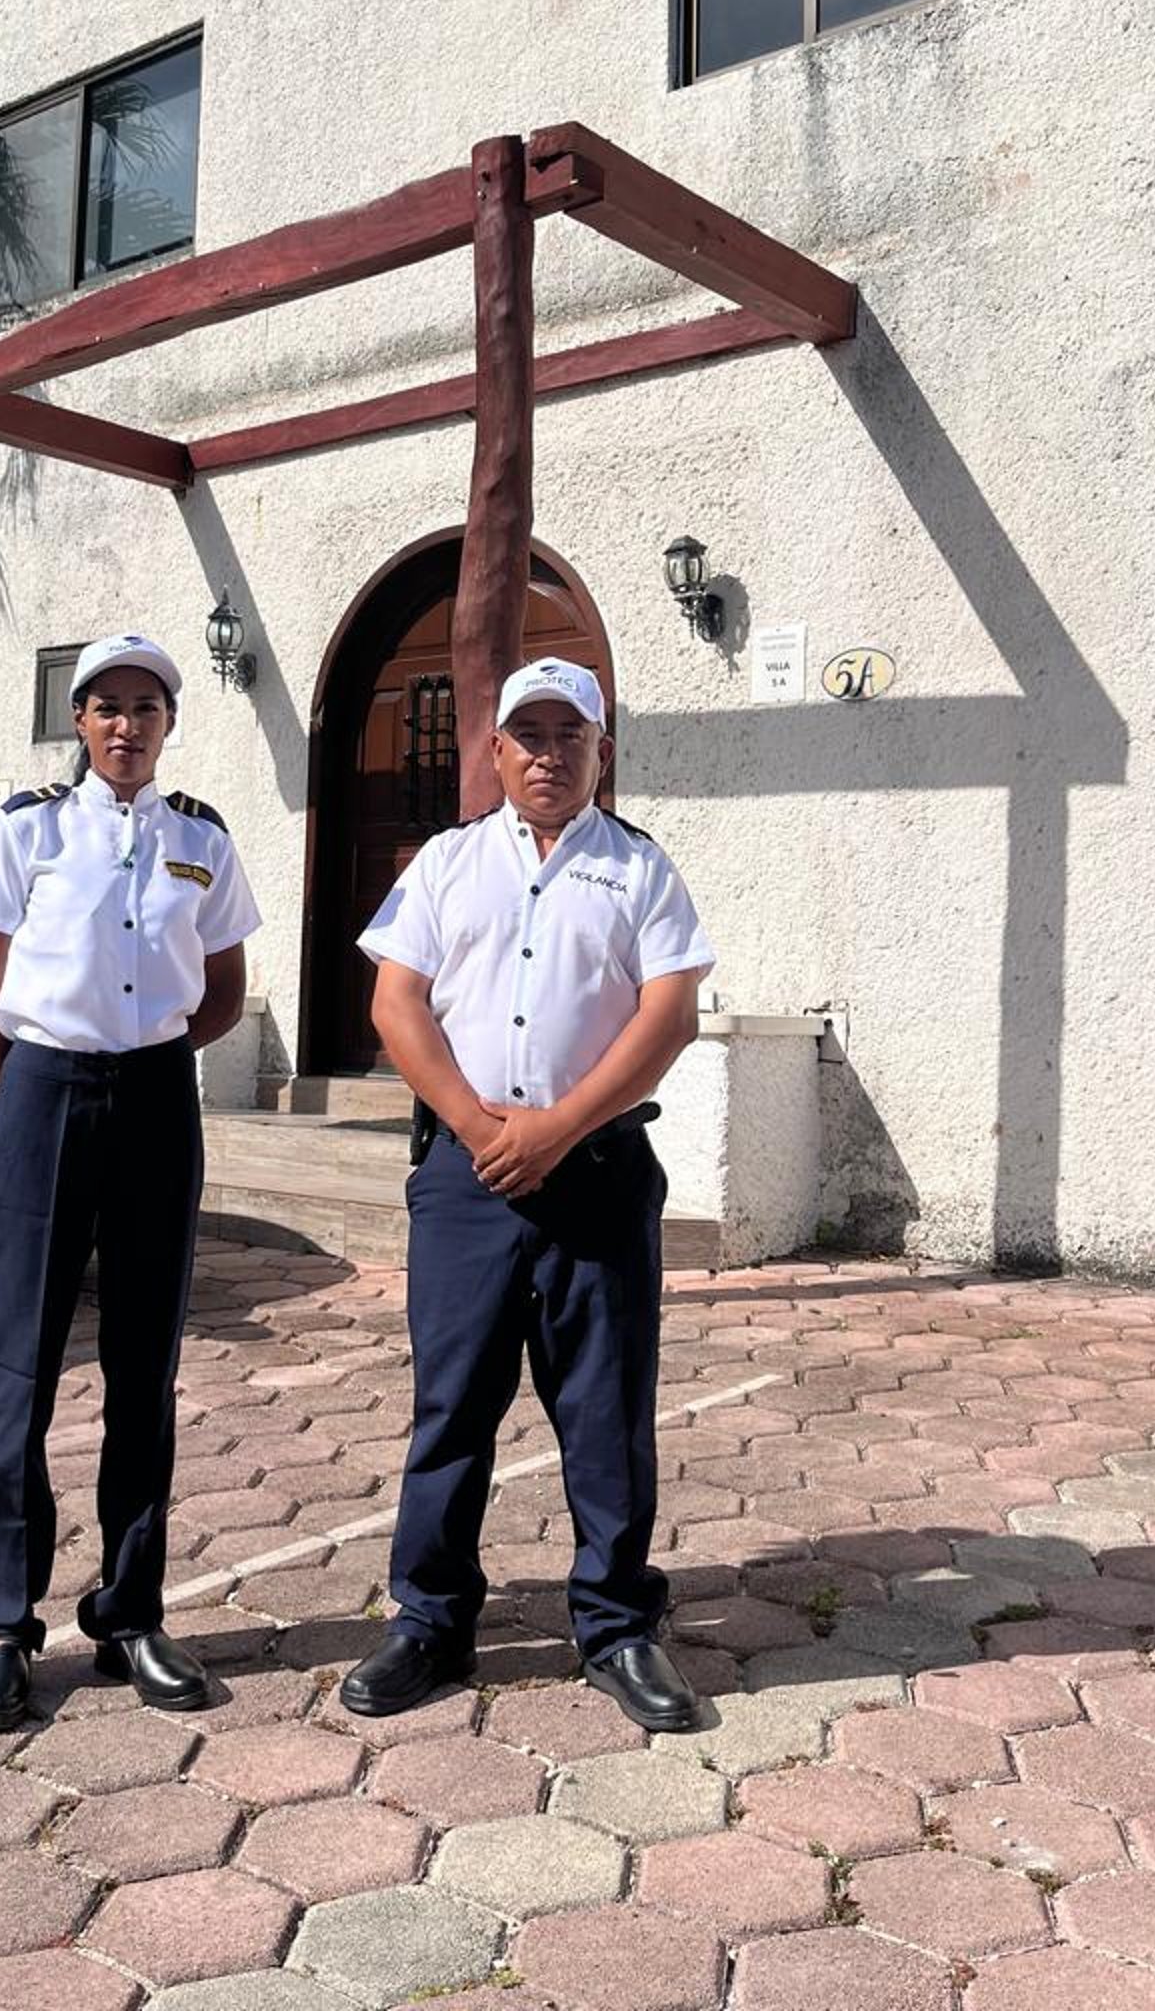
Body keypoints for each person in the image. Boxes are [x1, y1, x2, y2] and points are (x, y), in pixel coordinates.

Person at [341, 655, 715, 1730]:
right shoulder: (448, 863)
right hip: (466, 1178)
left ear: (603, 753)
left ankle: (615, 1622)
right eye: (528, 734)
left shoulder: (639, 868)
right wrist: (476, 1124)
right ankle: (430, 1619)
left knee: (603, 1411)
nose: (548, 753)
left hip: (594, 1172)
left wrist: (558, 1126)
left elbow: (668, 1017)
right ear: (494, 750)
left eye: (570, 735)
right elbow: (397, 1002)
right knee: (451, 1404)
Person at [0, 631, 260, 1731]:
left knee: (144, 1363)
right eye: (107, 706)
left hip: (156, 1100)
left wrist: (148, 1056)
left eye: (147, 707)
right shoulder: (25, 826)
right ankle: (3, 1624)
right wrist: (37, 1081)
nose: (127, 724)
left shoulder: (202, 843)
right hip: (42, 1091)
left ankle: (130, 1613)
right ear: (79, 723)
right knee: (17, 1366)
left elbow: (221, 991)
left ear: (169, 724)